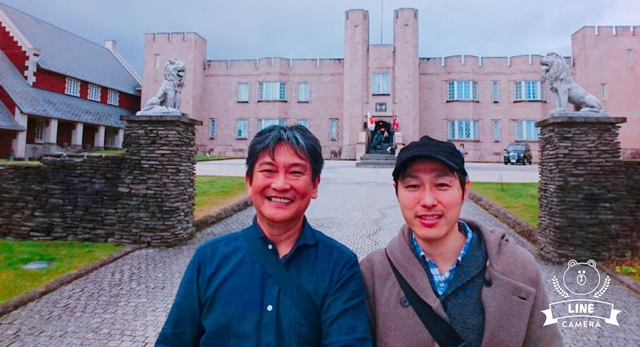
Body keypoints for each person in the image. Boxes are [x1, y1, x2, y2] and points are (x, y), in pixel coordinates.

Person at [157, 125, 372, 346]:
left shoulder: (339, 266)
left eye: (296, 172)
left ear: (315, 185)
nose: (280, 185)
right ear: (249, 182)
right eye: (268, 171)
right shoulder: (209, 259)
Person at [360, 136, 562, 347]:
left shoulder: (518, 267)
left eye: (442, 185)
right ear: (396, 192)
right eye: (413, 186)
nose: (428, 201)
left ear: (465, 191)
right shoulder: (373, 273)